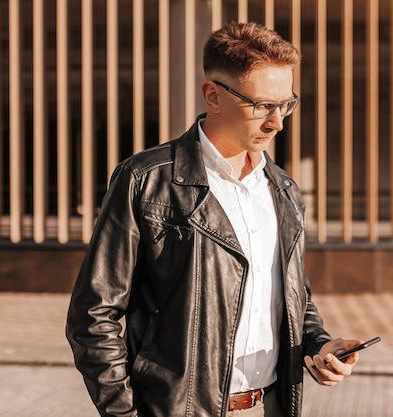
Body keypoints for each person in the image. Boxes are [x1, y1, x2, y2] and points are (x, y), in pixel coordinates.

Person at [66, 21, 364, 417]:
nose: (277, 123)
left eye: (286, 104)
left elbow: (292, 296)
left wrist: (319, 346)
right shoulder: (146, 180)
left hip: (268, 408)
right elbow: (93, 315)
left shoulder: (283, 189)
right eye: (261, 106)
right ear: (213, 95)